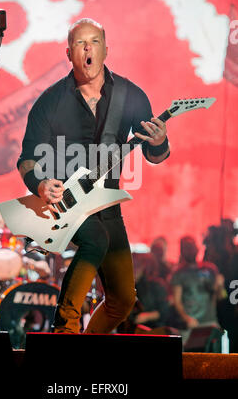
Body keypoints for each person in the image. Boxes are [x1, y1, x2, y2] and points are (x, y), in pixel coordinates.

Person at [17, 18, 170, 334]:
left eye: (94, 42)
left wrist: (159, 141)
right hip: (66, 205)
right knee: (95, 237)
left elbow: (154, 156)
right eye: (80, 43)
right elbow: (27, 160)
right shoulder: (50, 101)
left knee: (123, 300)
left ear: (106, 50)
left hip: (106, 205)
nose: (87, 48)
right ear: (69, 52)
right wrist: (41, 184)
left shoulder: (132, 96)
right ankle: (65, 327)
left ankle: (84, 347)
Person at [170, 235, 224, 344]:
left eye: (192, 246)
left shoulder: (210, 268)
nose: (190, 250)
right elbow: (176, 300)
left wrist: (220, 286)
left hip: (210, 322)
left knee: (215, 358)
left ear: (197, 248)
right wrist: (186, 318)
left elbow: (221, 296)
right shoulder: (178, 272)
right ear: (182, 251)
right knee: (190, 358)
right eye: (187, 247)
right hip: (191, 324)